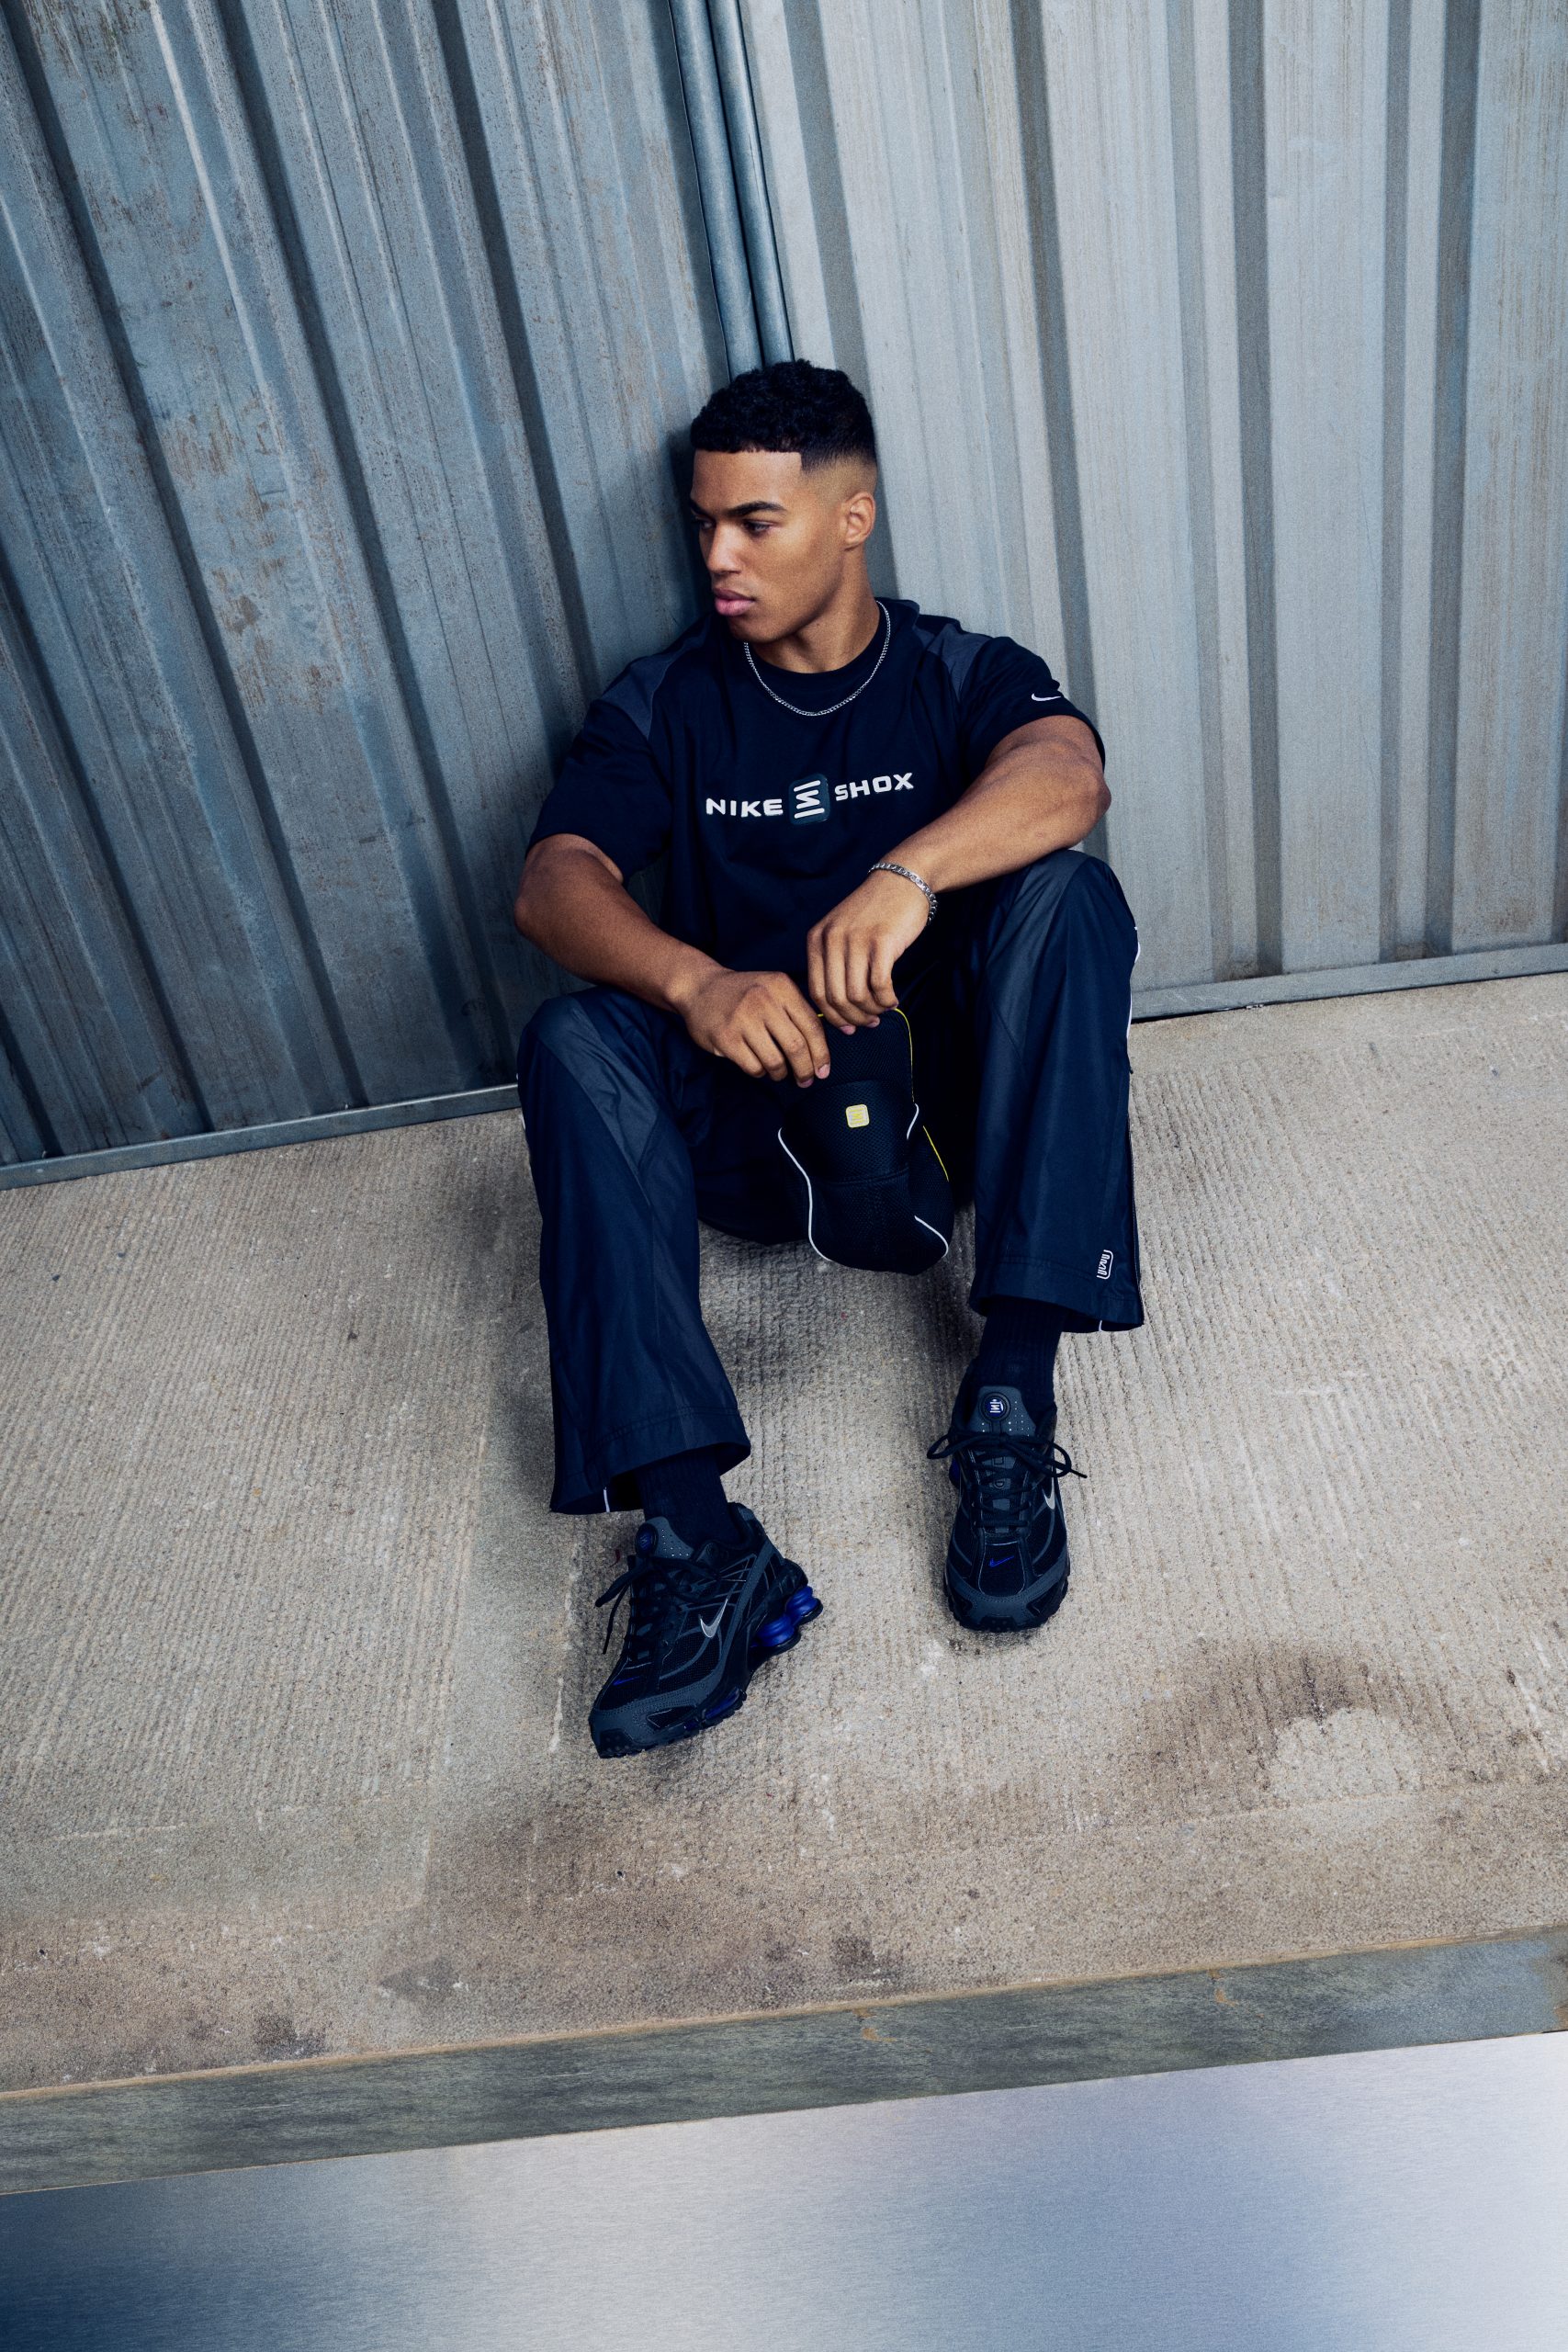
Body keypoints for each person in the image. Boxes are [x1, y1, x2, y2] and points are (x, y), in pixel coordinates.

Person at [513, 359, 1142, 1759]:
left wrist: (908, 876)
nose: (718, 559)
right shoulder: (669, 701)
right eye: (703, 524)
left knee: (1069, 900)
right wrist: (696, 982)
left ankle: (1010, 1394)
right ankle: (701, 1540)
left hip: (948, 1111)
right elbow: (553, 883)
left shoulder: (952, 671)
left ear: (852, 519)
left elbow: (1068, 773)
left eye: (757, 523)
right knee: (575, 1034)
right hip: (759, 1119)